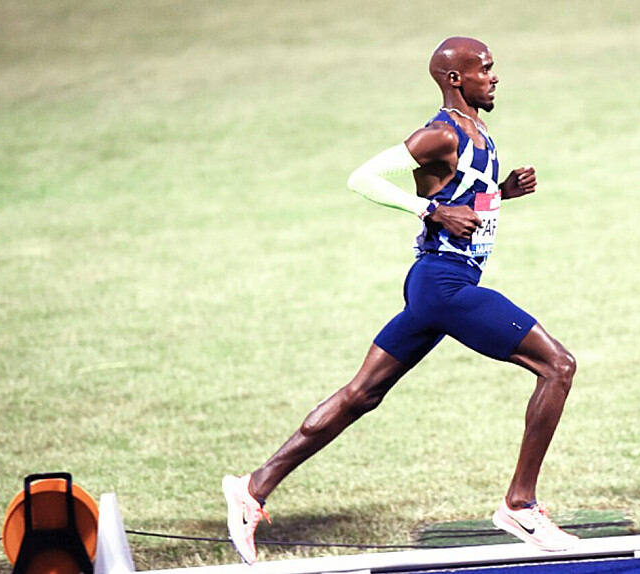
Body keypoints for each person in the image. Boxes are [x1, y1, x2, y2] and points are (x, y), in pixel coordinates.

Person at [221, 36, 579, 564]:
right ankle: (519, 506)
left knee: (361, 394)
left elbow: (459, 199)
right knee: (558, 366)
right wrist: (428, 212)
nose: (494, 77)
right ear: (455, 78)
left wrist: (502, 192)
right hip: (444, 285)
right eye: (484, 69)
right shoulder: (440, 133)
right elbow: (363, 178)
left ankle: (253, 487)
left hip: (437, 285)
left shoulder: (479, 132)